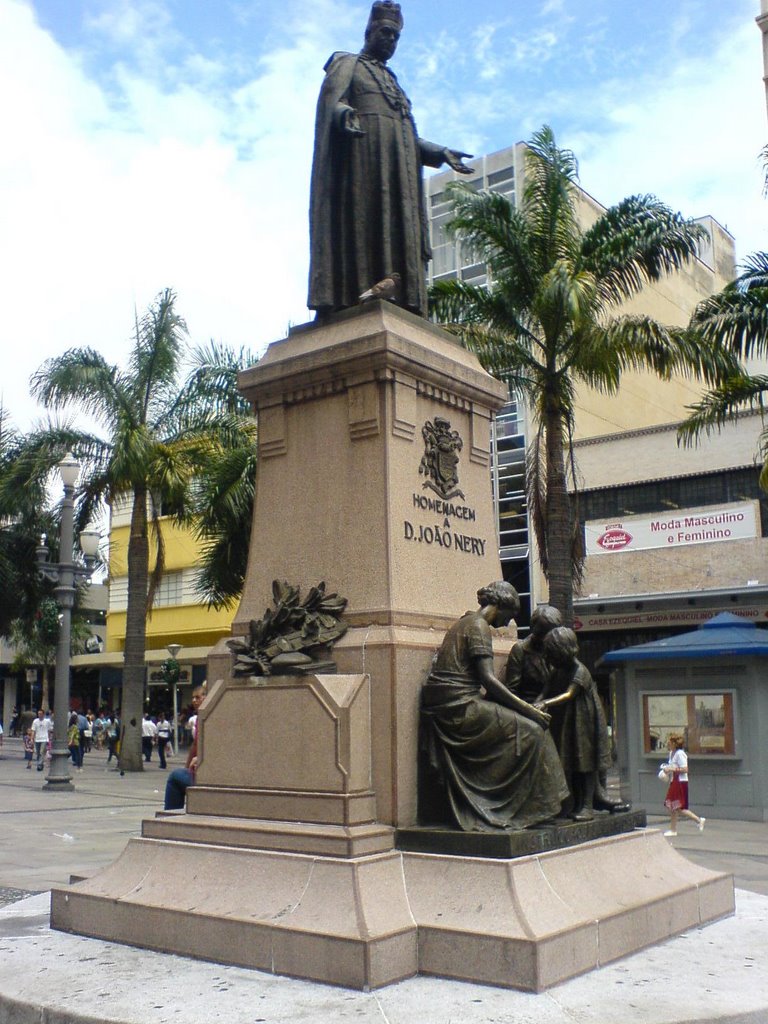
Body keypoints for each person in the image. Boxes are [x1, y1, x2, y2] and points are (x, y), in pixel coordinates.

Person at [308, 0, 474, 319]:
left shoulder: (393, 82)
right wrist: (344, 115)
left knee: (397, 232)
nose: (391, 41)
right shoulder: (348, 64)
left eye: (396, 36)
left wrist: (439, 152)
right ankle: (352, 296)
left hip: (399, 178)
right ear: (369, 31)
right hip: (362, 166)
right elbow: (333, 104)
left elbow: (406, 133)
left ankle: (398, 300)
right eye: (386, 32)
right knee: (364, 227)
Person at [420, 582, 568, 832]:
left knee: (526, 727)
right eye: (510, 615)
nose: (509, 622)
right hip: (460, 708)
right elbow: (488, 679)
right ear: (500, 606)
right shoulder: (478, 627)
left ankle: (537, 805)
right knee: (533, 731)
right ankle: (532, 807)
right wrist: (529, 710)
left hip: (452, 703)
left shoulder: (464, 622)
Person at [536, 627, 615, 821]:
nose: (548, 658)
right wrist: (533, 703)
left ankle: (587, 805)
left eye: (551, 654)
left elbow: (569, 694)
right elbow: (545, 691)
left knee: (585, 764)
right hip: (567, 724)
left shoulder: (580, 670)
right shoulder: (558, 672)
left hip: (584, 724)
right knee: (570, 763)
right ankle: (571, 804)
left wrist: (545, 703)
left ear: (562, 652)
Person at [503, 604, 563, 703]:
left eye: (551, 633)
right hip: (530, 706)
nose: (547, 638)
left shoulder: (560, 649)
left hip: (556, 704)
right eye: (543, 632)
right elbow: (511, 690)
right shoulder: (520, 650)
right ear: (533, 628)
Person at [164, 686, 205, 811]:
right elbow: (195, 745)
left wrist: (201, 759)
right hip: (199, 769)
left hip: (205, 774)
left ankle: (171, 817)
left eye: (198, 697)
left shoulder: (205, 718)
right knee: (179, 775)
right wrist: (187, 768)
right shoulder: (200, 718)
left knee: (174, 778)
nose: (194, 700)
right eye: (193, 697)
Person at [661, 734, 705, 836]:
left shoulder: (680, 754)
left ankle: (697, 821)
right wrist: (666, 769)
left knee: (677, 806)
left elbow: (685, 769)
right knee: (673, 806)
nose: (668, 744)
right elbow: (673, 766)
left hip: (680, 782)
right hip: (675, 781)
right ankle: (674, 829)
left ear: (674, 744)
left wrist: (671, 769)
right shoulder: (672, 753)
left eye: (670, 742)